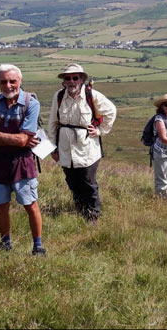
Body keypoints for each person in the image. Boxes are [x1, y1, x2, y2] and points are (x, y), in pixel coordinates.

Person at [0, 64, 46, 256]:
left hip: (23, 162)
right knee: (0, 206)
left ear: (20, 82)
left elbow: (24, 139)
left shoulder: (31, 103)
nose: (8, 85)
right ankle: (5, 243)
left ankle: (38, 245)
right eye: (3, 81)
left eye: (12, 81)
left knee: (30, 204)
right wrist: (18, 139)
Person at [47, 63, 116, 222]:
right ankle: (80, 210)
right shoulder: (58, 96)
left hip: (87, 149)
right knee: (72, 181)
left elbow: (111, 111)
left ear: (82, 79)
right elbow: (53, 122)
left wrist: (100, 131)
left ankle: (93, 216)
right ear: (64, 81)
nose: (71, 81)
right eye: (68, 78)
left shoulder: (92, 95)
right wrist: (53, 148)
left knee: (88, 183)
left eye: (75, 78)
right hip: (65, 149)